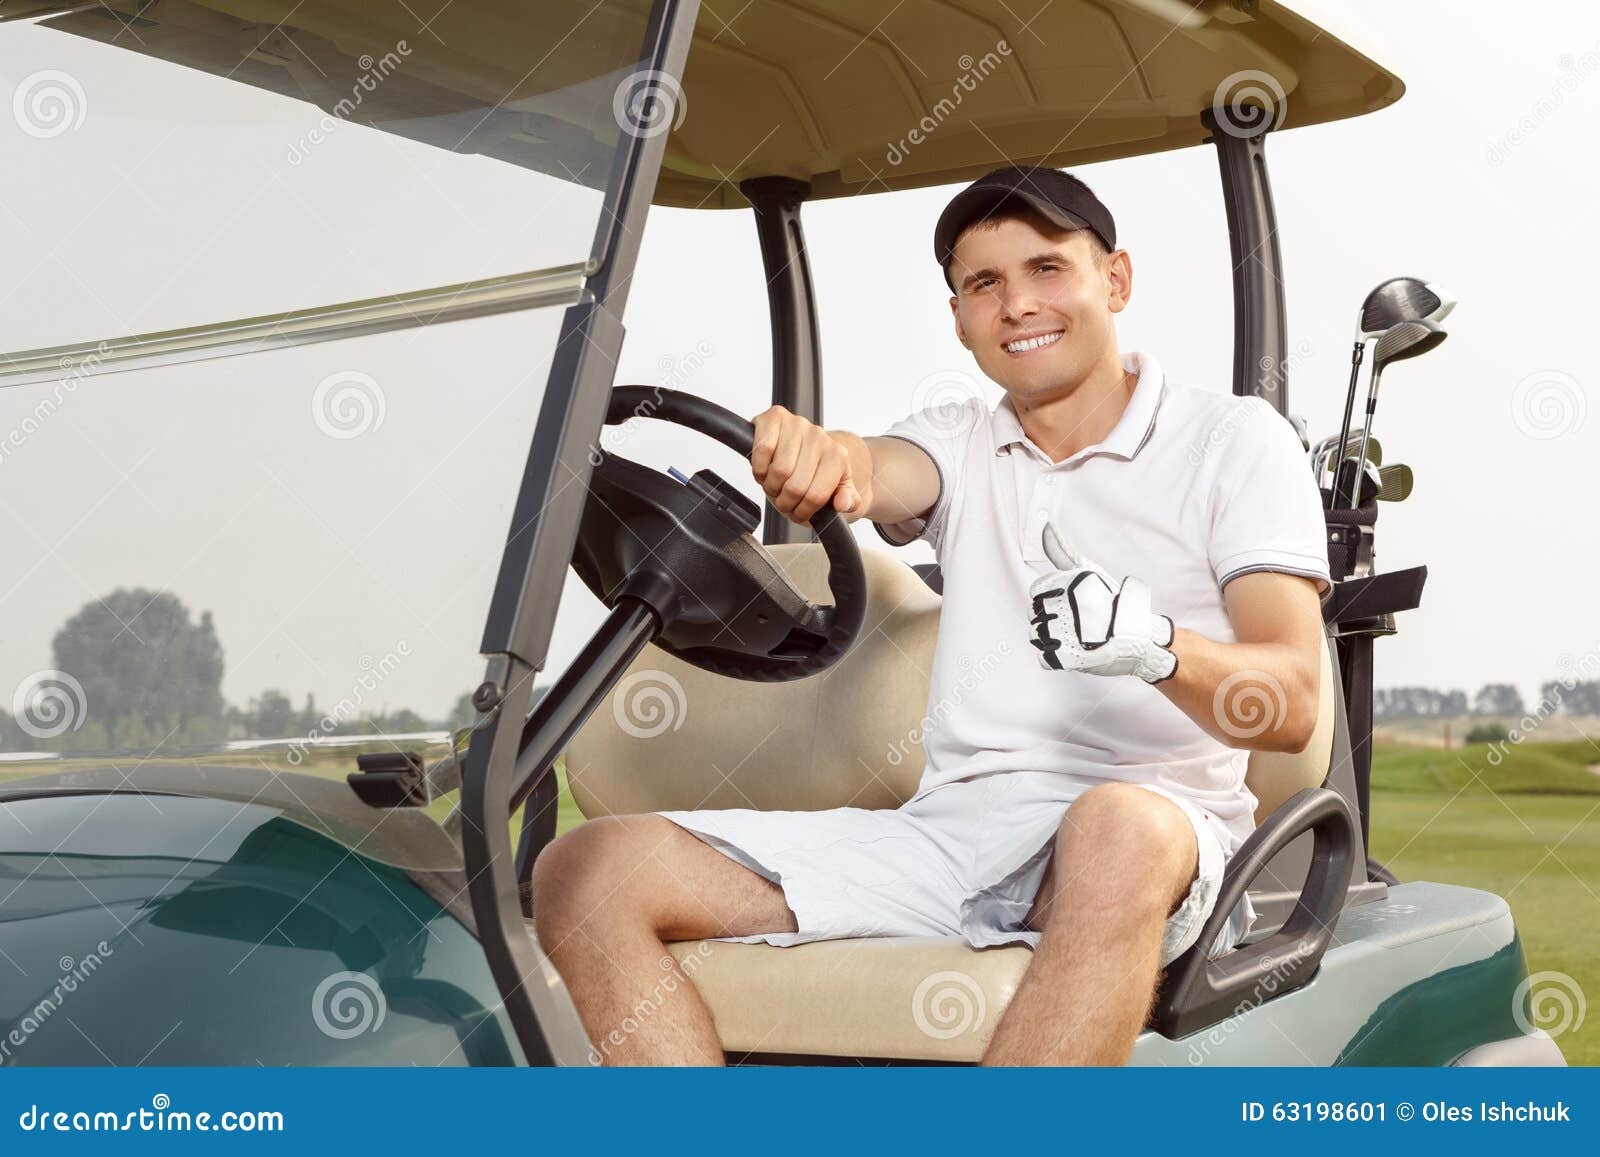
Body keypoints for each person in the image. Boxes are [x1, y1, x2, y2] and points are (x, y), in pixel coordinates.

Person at [532, 165, 1331, 1066]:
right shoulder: (962, 435)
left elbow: (1292, 701)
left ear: (1115, 280)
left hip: (1152, 837)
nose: (1017, 304)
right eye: (983, 284)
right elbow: (872, 468)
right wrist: (819, 454)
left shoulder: (1232, 440)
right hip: (950, 837)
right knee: (586, 871)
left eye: (1046, 269)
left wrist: (1155, 647)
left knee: (1116, 826)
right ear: (959, 318)